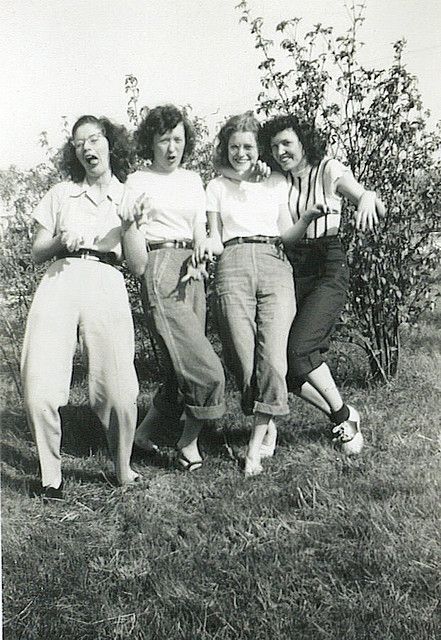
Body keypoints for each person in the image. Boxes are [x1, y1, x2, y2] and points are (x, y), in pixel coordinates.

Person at [196, 112, 328, 476]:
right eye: (234, 147)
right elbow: (215, 235)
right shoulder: (216, 187)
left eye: (248, 147)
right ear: (226, 148)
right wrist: (207, 243)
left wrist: (308, 218)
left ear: (259, 150)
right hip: (232, 264)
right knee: (243, 361)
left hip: (273, 261)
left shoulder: (276, 181)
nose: (241, 153)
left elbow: (287, 233)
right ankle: (267, 420)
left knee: (274, 359)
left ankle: (254, 448)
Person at [21, 115, 140, 500]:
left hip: (107, 278)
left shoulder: (129, 194)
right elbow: (38, 251)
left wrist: (130, 225)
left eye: (95, 139)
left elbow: (138, 265)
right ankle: (50, 476)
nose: (87, 148)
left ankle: (123, 469)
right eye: (78, 143)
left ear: (111, 144)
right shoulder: (61, 193)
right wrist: (59, 240)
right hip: (60, 277)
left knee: (119, 390)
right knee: (39, 381)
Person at [259, 114, 385, 455]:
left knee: (300, 348)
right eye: (274, 146)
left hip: (328, 263)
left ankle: (343, 418)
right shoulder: (276, 179)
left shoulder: (326, 169)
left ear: (303, 142)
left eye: (287, 143)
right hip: (292, 266)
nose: (281, 151)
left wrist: (368, 197)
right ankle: (343, 415)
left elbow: (359, 194)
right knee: (282, 363)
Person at [120, 104, 225, 471]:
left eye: (178, 139)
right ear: (150, 142)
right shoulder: (137, 181)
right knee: (203, 366)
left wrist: (200, 253)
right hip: (161, 265)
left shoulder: (192, 180)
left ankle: (143, 436)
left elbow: (200, 228)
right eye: (163, 139)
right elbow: (132, 234)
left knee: (176, 365)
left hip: (192, 269)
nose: (171, 147)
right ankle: (187, 444)